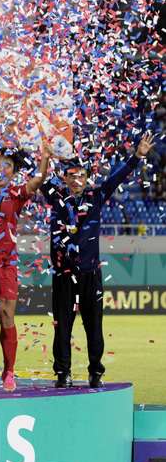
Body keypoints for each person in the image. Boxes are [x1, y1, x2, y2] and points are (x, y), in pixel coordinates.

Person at [41, 131, 153, 388]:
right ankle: (63, 373)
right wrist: (46, 158)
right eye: (72, 176)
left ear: (87, 178)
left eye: (81, 175)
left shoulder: (96, 197)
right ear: (65, 179)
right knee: (63, 326)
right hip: (64, 274)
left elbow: (117, 177)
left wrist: (136, 156)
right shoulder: (57, 199)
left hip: (90, 273)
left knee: (94, 326)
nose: (77, 179)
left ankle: (96, 372)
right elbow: (40, 180)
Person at [0, 144, 50, 391]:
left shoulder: (17, 192)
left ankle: (9, 371)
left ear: (14, 171)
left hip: (6, 263)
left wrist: (45, 159)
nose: (0, 168)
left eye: (7, 165)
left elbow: (37, 181)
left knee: (6, 315)